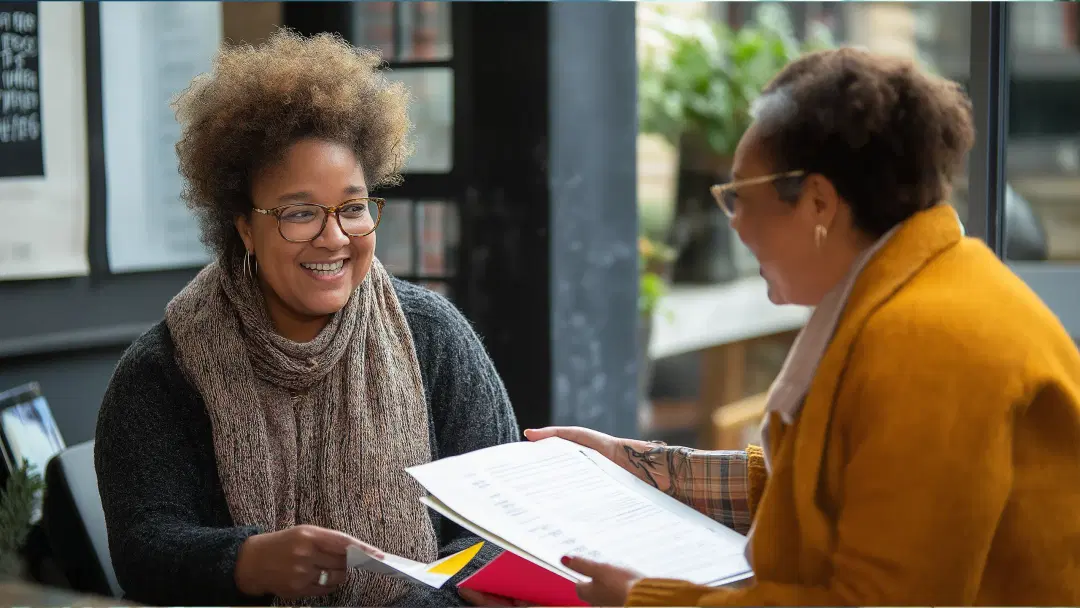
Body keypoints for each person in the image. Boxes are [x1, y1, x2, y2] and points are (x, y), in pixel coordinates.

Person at [530, 47, 1080, 606]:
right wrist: (631, 464)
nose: (734, 223)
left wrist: (648, 601)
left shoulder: (932, 343)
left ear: (818, 202)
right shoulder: (923, 295)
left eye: (740, 196)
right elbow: (825, 487)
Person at [94, 30, 519, 608]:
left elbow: (502, 522)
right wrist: (245, 561)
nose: (334, 237)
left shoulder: (432, 335)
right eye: (299, 213)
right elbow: (144, 551)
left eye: (352, 207)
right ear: (244, 226)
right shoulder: (162, 372)